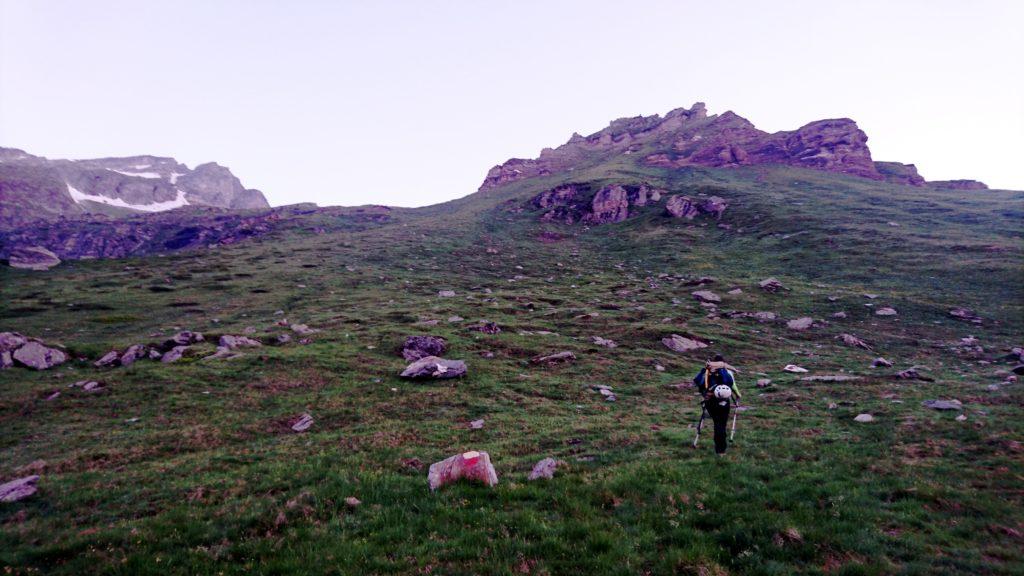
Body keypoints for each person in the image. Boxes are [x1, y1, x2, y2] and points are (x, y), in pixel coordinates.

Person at [693, 354, 741, 455]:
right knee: (722, 425)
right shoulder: (726, 371)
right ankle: (721, 450)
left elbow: (698, 382)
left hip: (710, 401)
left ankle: (719, 449)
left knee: (717, 423)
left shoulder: (707, 372)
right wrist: (737, 395)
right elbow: (732, 384)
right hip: (724, 401)